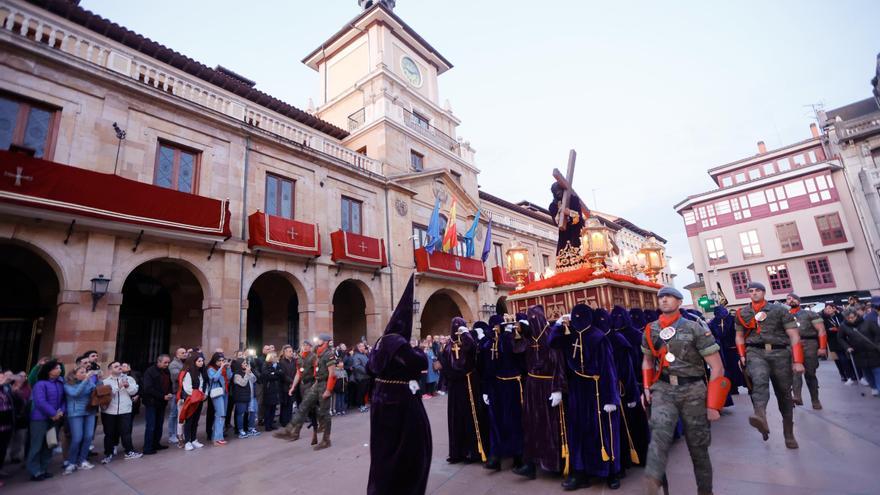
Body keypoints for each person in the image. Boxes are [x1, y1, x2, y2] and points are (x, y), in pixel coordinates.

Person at [641, 286, 729, 495]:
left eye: (669, 297)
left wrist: (713, 405)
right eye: (661, 297)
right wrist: (646, 386)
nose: (664, 300)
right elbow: (647, 360)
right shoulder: (651, 329)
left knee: (698, 448)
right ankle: (653, 483)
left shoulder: (694, 327)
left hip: (693, 390)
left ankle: (705, 491)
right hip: (663, 388)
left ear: (679, 302)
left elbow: (717, 367)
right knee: (659, 437)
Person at [367, 275, 432, 495]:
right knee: (408, 451)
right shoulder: (396, 342)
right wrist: (419, 350)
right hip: (399, 402)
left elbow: (371, 368)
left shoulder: (380, 341)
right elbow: (418, 362)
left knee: (382, 450)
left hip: (380, 399)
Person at [549, 306, 621, 490]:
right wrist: (558, 325)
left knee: (603, 431)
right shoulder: (568, 334)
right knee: (578, 431)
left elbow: (609, 369)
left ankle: (611, 471)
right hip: (576, 389)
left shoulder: (599, 337)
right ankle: (580, 472)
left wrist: (611, 398)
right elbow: (552, 343)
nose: (578, 319)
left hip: (597, 389)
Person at [734, 282, 803, 449]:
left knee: (784, 394)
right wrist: (742, 355)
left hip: (780, 353)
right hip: (755, 352)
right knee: (759, 381)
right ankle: (760, 416)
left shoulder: (779, 310)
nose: (754, 293)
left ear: (764, 292)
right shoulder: (742, 313)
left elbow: (793, 335)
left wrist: (798, 360)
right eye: (750, 291)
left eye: (757, 290)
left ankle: (788, 432)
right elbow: (739, 336)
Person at [512, 307, 567, 480]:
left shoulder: (551, 334)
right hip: (532, 385)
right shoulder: (528, 337)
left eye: (534, 318)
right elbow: (517, 350)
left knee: (551, 425)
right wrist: (517, 332)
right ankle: (530, 464)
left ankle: (555, 463)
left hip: (548, 385)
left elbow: (559, 363)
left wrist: (558, 388)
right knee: (530, 424)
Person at [478, 314, 524, 472]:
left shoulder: (511, 339)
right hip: (496, 385)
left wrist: (509, 335)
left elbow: (520, 355)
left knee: (514, 420)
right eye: (493, 326)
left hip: (513, 385)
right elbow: (485, 367)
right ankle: (495, 456)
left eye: (497, 325)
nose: (495, 328)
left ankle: (519, 456)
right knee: (496, 421)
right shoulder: (488, 344)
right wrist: (485, 390)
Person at [440, 317, 489, 465]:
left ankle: (473, 452)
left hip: (469, 383)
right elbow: (444, 363)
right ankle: (457, 452)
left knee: (470, 416)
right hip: (456, 385)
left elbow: (472, 350)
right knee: (456, 418)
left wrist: (466, 334)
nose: (456, 329)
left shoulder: (468, 341)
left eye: (459, 326)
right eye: (454, 326)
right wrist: (450, 376)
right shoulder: (448, 345)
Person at [282, 334, 337, 450]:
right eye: (304, 345)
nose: (306, 347)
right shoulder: (305, 357)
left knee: (317, 410)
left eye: (308, 345)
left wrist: (327, 389)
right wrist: (293, 387)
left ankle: (321, 436)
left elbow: (330, 373)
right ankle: (295, 431)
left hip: (316, 384)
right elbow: (299, 373)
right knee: (303, 407)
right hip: (308, 385)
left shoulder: (320, 355)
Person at [787, 294, 828, 409]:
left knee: (810, 374)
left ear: (799, 300)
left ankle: (815, 399)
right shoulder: (784, 316)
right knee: (795, 372)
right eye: (788, 299)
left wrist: (822, 347)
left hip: (809, 344)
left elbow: (821, 330)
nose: (791, 300)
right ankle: (797, 396)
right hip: (792, 345)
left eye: (793, 298)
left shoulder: (810, 314)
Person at [27, 360, 65, 481]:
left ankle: (43, 468)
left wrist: (61, 412)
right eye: (57, 368)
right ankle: (35, 471)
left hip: (55, 419)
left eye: (59, 368)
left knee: (50, 444)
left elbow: (64, 400)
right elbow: (40, 402)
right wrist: (53, 413)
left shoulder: (60, 383)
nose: (59, 370)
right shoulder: (40, 384)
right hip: (40, 419)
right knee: (37, 445)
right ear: (49, 371)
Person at [100, 361, 142, 463]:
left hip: (125, 410)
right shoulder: (105, 381)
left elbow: (134, 391)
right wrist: (118, 386)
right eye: (116, 366)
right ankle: (108, 453)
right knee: (109, 433)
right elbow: (106, 395)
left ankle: (129, 451)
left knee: (126, 432)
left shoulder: (129, 378)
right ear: (110, 370)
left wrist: (127, 386)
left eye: (120, 366)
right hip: (110, 411)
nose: (119, 367)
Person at [62, 366, 97, 475]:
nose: (84, 373)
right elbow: (75, 393)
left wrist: (90, 381)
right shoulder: (68, 384)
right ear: (74, 374)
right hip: (75, 413)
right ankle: (71, 462)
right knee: (77, 438)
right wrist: (86, 380)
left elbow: (94, 390)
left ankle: (82, 460)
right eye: (81, 372)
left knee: (88, 436)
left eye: (85, 372)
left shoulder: (87, 382)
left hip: (89, 412)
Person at [839, 309, 880, 396]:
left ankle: (879, 388)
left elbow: (877, 333)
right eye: (847, 318)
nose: (850, 319)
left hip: (872, 350)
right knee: (867, 372)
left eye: (852, 317)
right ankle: (873, 387)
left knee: (876, 370)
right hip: (858, 352)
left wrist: (876, 344)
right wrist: (847, 347)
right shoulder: (843, 326)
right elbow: (840, 338)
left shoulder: (868, 322)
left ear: (856, 316)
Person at [142, 354, 173, 455]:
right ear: (158, 362)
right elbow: (148, 388)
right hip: (152, 402)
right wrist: (162, 396)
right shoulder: (150, 371)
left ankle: (156, 443)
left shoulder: (166, 371)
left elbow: (169, 384)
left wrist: (169, 392)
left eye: (168, 362)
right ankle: (148, 447)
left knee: (159, 424)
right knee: (151, 425)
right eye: (165, 362)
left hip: (162, 402)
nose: (167, 364)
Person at [180, 354, 208, 451]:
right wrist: (199, 394)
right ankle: (187, 441)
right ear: (194, 362)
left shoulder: (201, 373)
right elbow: (187, 389)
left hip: (199, 399)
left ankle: (193, 439)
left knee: (196, 420)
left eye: (202, 361)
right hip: (191, 400)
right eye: (199, 361)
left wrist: (204, 394)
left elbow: (204, 385)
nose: (201, 363)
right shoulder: (188, 373)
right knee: (189, 420)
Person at [206, 353, 231, 446]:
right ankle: (217, 438)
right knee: (220, 415)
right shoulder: (210, 369)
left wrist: (228, 368)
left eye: (222, 360)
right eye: (219, 361)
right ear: (214, 360)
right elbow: (215, 378)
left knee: (222, 415)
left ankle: (217, 437)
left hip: (225, 392)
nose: (221, 362)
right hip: (217, 393)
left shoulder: (223, 367)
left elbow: (229, 377)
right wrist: (221, 368)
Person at [231, 358, 260, 438]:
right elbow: (243, 383)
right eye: (244, 363)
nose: (246, 364)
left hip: (250, 396)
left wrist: (250, 373)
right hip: (241, 397)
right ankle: (241, 431)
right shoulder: (236, 374)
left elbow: (254, 380)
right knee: (241, 414)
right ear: (239, 364)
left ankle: (251, 428)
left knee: (253, 412)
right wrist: (247, 374)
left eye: (246, 363)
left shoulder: (247, 372)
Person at [167, 347, 187, 445]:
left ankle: (180, 433)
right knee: (174, 414)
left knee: (181, 414)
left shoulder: (184, 363)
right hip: (176, 392)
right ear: (177, 354)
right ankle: (172, 434)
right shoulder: (174, 364)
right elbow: (177, 376)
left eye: (185, 352)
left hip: (184, 392)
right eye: (182, 353)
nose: (185, 354)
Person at [260, 352, 282, 431]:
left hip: (276, 389)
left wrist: (274, 373)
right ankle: (267, 425)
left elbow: (281, 373)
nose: (276, 358)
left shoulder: (277, 365)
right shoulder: (266, 364)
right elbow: (267, 375)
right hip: (269, 389)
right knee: (268, 408)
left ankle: (271, 423)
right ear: (271, 357)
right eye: (275, 356)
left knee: (273, 407)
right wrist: (275, 373)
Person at [278, 345, 297, 427]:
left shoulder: (294, 361)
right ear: (285, 353)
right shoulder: (281, 362)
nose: (291, 353)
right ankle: (283, 421)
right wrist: (292, 381)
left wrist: (294, 382)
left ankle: (289, 420)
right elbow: (283, 375)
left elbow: (296, 372)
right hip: (285, 386)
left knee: (290, 403)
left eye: (292, 351)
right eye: (289, 351)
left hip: (293, 385)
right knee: (285, 404)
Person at [351, 342, 371, 412]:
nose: (364, 347)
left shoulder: (364, 355)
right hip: (361, 377)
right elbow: (357, 366)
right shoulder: (356, 356)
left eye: (364, 346)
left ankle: (363, 405)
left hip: (367, 376)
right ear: (359, 348)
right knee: (361, 392)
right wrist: (367, 370)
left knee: (364, 392)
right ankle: (360, 406)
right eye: (362, 346)